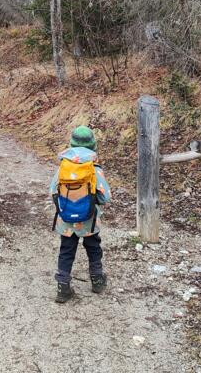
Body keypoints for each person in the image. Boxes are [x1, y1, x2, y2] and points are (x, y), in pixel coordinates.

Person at [49, 126, 111, 303]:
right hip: (89, 221)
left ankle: (63, 288)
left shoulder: (64, 167)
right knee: (93, 248)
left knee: (66, 251)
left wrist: (66, 205)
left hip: (66, 221)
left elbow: (52, 190)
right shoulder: (93, 168)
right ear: (93, 146)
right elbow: (105, 197)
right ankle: (97, 281)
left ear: (71, 144)